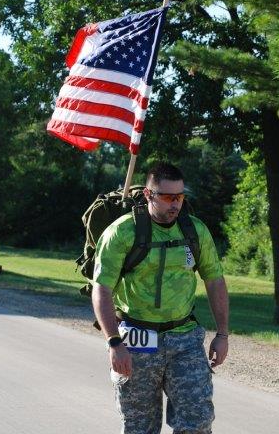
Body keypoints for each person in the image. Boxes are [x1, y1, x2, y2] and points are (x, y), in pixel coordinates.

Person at [92, 162, 229, 434]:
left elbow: (215, 281)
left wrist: (222, 334)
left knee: (198, 421)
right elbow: (102, 290)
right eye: (167, 197)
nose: (175, 204)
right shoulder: (122, 232)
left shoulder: (195, 231)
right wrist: (113, 342)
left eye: (180, 197)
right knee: (140, 426)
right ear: (148, 194)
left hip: (185, 337)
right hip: (136, 339)